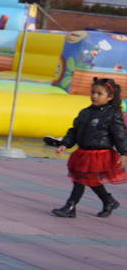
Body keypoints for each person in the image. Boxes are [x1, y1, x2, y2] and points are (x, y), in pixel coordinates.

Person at [48, 77, 127, 218]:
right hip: (83, 152)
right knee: (88, 179)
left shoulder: (112, 114)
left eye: (99, 94)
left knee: (80, 179)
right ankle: (108, 200)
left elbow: (119, 135)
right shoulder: (85, 112)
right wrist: (65, 144)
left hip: (99, 153)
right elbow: (74, 130)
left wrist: (123, 152)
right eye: (92, 92)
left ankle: (70, 206)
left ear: (110, 97)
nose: (94, 96)